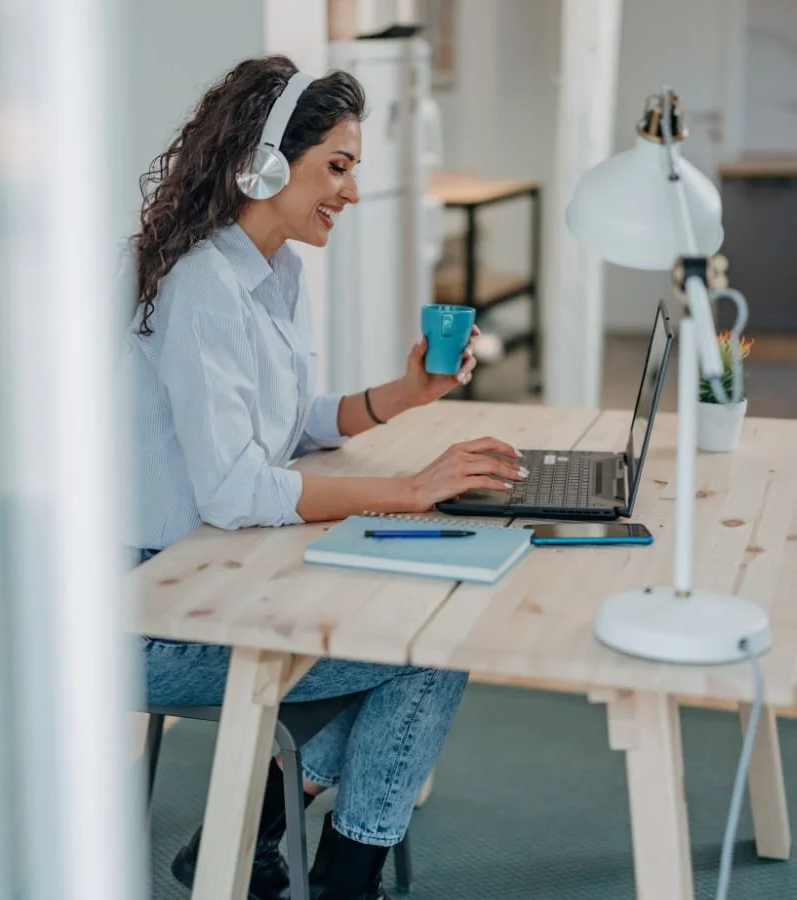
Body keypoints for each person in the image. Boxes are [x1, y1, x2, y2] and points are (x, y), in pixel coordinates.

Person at [122, 55, 527, 900]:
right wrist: (409, 489)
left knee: (414, 620)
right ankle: (334, 871)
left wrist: (406, 396)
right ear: (264, 163)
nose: (349, 191)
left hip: (218, 575)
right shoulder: (202, 284)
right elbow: (238, 489)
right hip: (149, 613)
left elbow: (296, 421)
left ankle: (256, 827)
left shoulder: (276, 271)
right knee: (424, 646)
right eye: (335, 167)